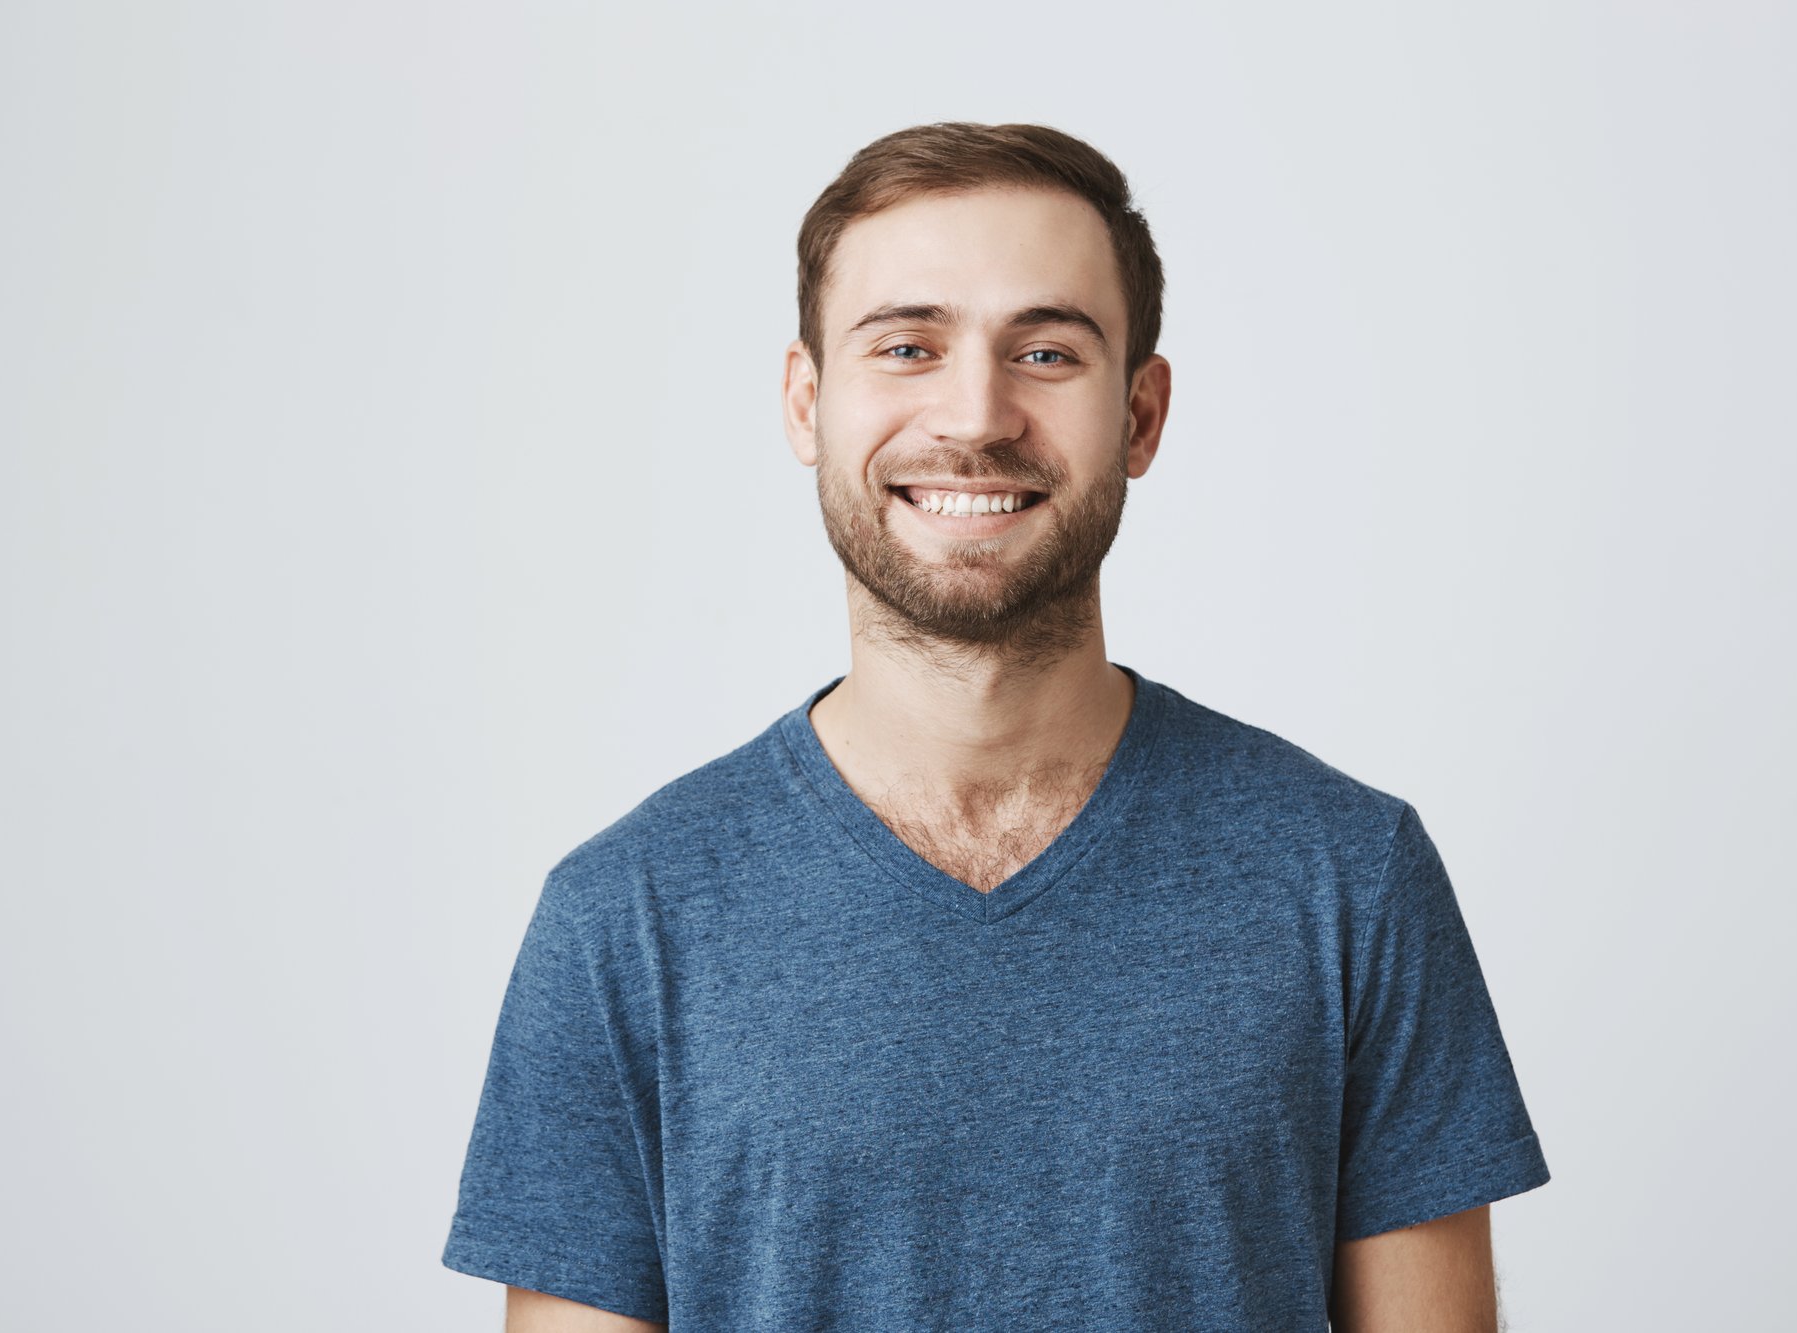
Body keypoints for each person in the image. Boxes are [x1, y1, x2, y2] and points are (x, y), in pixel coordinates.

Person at [441, 120, 1550, 1332]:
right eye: (907, 345)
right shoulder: (624, 918)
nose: (974, 414)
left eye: (1045, 351)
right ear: (806, 402)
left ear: (1139, 414)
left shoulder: (1346, 876)